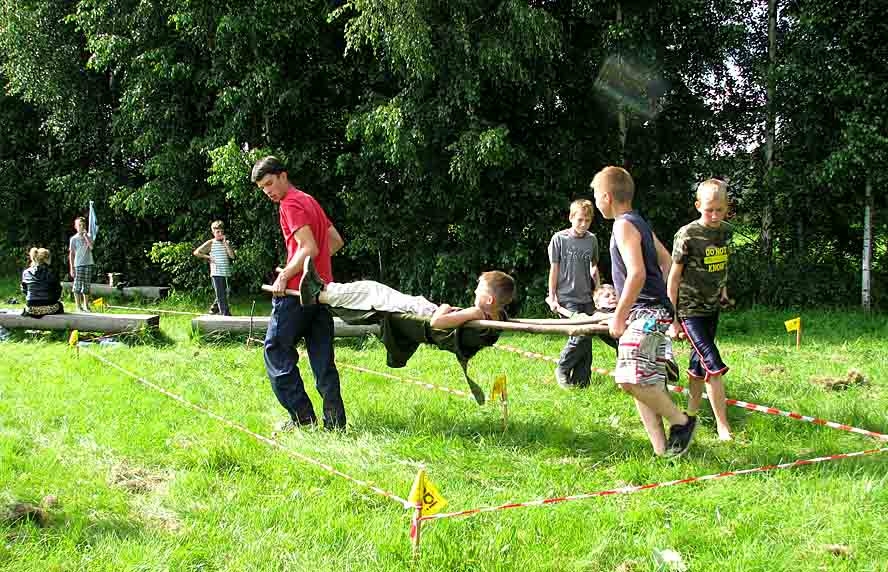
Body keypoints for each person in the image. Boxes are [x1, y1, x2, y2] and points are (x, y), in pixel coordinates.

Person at [591, 166, 697, 457]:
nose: (597, 203)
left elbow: (637, 274)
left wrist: (619, 315)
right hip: (650, 309)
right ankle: (663, 451)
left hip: (646, 312)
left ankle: (682, 422)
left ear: (607, 196)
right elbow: (666, 261)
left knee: (629, 378)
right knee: (642, 379)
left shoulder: (622, 225)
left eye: (597, 197)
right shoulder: (639, 223)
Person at [252, 156, 347, 432]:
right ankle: (335, 424)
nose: (268, 191)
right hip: (320, 293)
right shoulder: (309, 200)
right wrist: (311, 269)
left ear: (283, 175)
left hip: (295, 295)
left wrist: (285, 274)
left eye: (270, 183)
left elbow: (308, 248)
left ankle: (303, 419)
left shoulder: (290, 203)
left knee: (276, 351)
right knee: (322, 360)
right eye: (262, 188)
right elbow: (334, 242)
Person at [667, 179, 733, 441]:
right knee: (713, 364)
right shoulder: (687, 235)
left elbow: (722, 265)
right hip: (689, 311)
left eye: (720, 209)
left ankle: (691, 413)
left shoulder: (726, 232)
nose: (715, 215)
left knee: (698, 364)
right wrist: (672, 320)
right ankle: (723, 426)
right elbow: (673, 278)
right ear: (698, 206)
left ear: (727, 207)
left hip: (712, 308)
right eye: (709, 210)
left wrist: (724, 293)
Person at [300, 262, 515, 328]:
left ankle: (320, 294)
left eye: (479, 288)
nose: (475, 290)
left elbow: (437, 322)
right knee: (371, 291)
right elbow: (501, 313)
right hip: (419, 307)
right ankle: (323, 288)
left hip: (419, 310)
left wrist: (446, 307)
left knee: (370, 291)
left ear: (489, 300)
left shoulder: (477, 311)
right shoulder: (495, 315)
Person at [546, 199, 601, 388]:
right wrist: (552, 296)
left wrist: (598, 291)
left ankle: (581, 383)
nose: (583, 224)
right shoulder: (559, 239)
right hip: (566, 297)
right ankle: (562, 367)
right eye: (580, 220)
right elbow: (554, 269)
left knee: (588, 336)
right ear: (571, 218)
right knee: (581, 333)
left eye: (587, 220)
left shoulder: (592, 240)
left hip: (586, 296)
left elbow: (594, 267)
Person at [193, 221, 236, 316]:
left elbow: (232, 256)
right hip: (216, 273)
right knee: (221, 295)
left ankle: (213, 310)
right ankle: (225, 314)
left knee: (223, 293)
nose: (220, 234)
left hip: (226, 272)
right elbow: (196, 252)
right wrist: (208, 257)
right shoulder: (211, 243)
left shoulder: (226, 243)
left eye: (221, 231)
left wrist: (226, 244)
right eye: (217, 232)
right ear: (213, 233)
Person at [21, 248, 63, 317]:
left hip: (31, 308)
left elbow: (24, 290)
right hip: (50, 307)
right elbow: (58, 290)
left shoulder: (26, 272)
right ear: (47, 259)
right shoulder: (52, 272)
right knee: (60, 305)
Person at [68, 216, 94, 312]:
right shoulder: (73, 239)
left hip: (88, 263)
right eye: (79, 225)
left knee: (86, 286)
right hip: (78, 265)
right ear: (75, 226)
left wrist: (86, 236)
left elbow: (91, 247)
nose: (81, 227)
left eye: (83, 225)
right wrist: (71, 268)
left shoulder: (89, 236)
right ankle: (78, 306)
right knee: (77, 286)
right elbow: (71, 254)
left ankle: (86, 305)